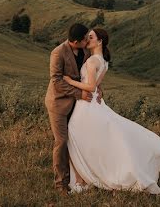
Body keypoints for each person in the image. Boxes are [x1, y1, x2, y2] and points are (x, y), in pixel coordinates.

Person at [64, 28, 160, 194]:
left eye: (90, 37)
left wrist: (69, 81)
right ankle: (84, 177)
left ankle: (84, 179)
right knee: (86, 139)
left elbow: (90, 87)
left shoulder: (92, 62)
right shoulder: (103, 61)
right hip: (95, 103)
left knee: (73, 134)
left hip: (86, 105)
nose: (87, 40)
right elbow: (97, 85)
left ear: (99, 41)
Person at [44, 23, 102, 195]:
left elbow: (88, 75)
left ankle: (79, 177)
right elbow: (57, 81)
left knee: (77, 140)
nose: (87, 41)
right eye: (85, 39)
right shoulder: (58, 53)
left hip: (78, 105)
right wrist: (79, 94)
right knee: (61, 142)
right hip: (59, 104)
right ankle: (61, 183)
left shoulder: (84, 51)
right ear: (76, 41)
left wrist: (97, 87)